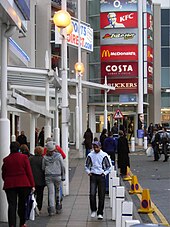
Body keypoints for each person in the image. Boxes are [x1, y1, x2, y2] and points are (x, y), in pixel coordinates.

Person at [1, 142, 35, 227]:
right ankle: (22, 223)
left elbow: (4, 173)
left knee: (12, 205)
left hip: (10, 185)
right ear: (18, 148)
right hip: (23, 183)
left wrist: (7, 180)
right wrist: (32, 184)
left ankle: (12, 225)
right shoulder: (24, 157)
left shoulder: (6, 159)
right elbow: (29, 172)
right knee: (22, 204)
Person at [85, 141, 112, 220]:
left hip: (101, 176)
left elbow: (109, 166)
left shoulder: (104, 155)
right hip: (93, 175)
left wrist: (105, 173)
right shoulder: (90, 155)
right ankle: (93, 210)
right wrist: (88, 172)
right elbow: (86, 165)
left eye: (97, 147)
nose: (96, 149)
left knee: (101, 195)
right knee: (92, 194)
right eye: (94, 147)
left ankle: (100, 212)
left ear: (100, 147)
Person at [42, 141, 65, 216]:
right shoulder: (59, 156)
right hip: (57, 176)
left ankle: (51, 209)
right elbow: (62, 166)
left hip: (48, 176)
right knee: (57, 191)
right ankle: (58, 206)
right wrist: (63, 176)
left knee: (51, 192)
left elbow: (43, 167)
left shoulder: (45, 158)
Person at [29, 146, 46, 214]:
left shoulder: (30, 159)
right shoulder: (43, 159)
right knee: (40, 195)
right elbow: (44, 169)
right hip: (41, 180)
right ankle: (39, 208)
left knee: (32, 194)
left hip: (32, 180)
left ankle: (32, 207)